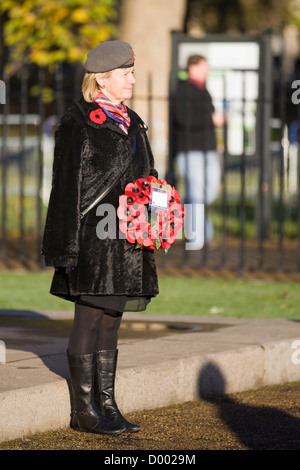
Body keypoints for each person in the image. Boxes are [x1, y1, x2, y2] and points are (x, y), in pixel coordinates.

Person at [42, 40, 159, 436]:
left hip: (127, 241)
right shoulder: (78, 122)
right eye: (125, 74)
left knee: (112, 320)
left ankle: (106, 404)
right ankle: (83, 412)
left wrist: (159, 211)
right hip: (93, 239)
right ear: (103, 80)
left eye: (131, 72)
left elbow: (148, 177)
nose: (132, 79)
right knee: (89, 318)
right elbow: (65, 188)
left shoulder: (135, 121)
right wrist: (64, 246)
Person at [172, 54, 224, 248]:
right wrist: (211, 119)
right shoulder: (183, 90)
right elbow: (183, 120)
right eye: (205, 66)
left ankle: (189, 213)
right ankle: (197, 239)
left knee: (208, 192)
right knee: (197, 194)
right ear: (193, 67)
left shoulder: (204, 91)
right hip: (190, 149)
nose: (208, 71)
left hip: (208, 148)